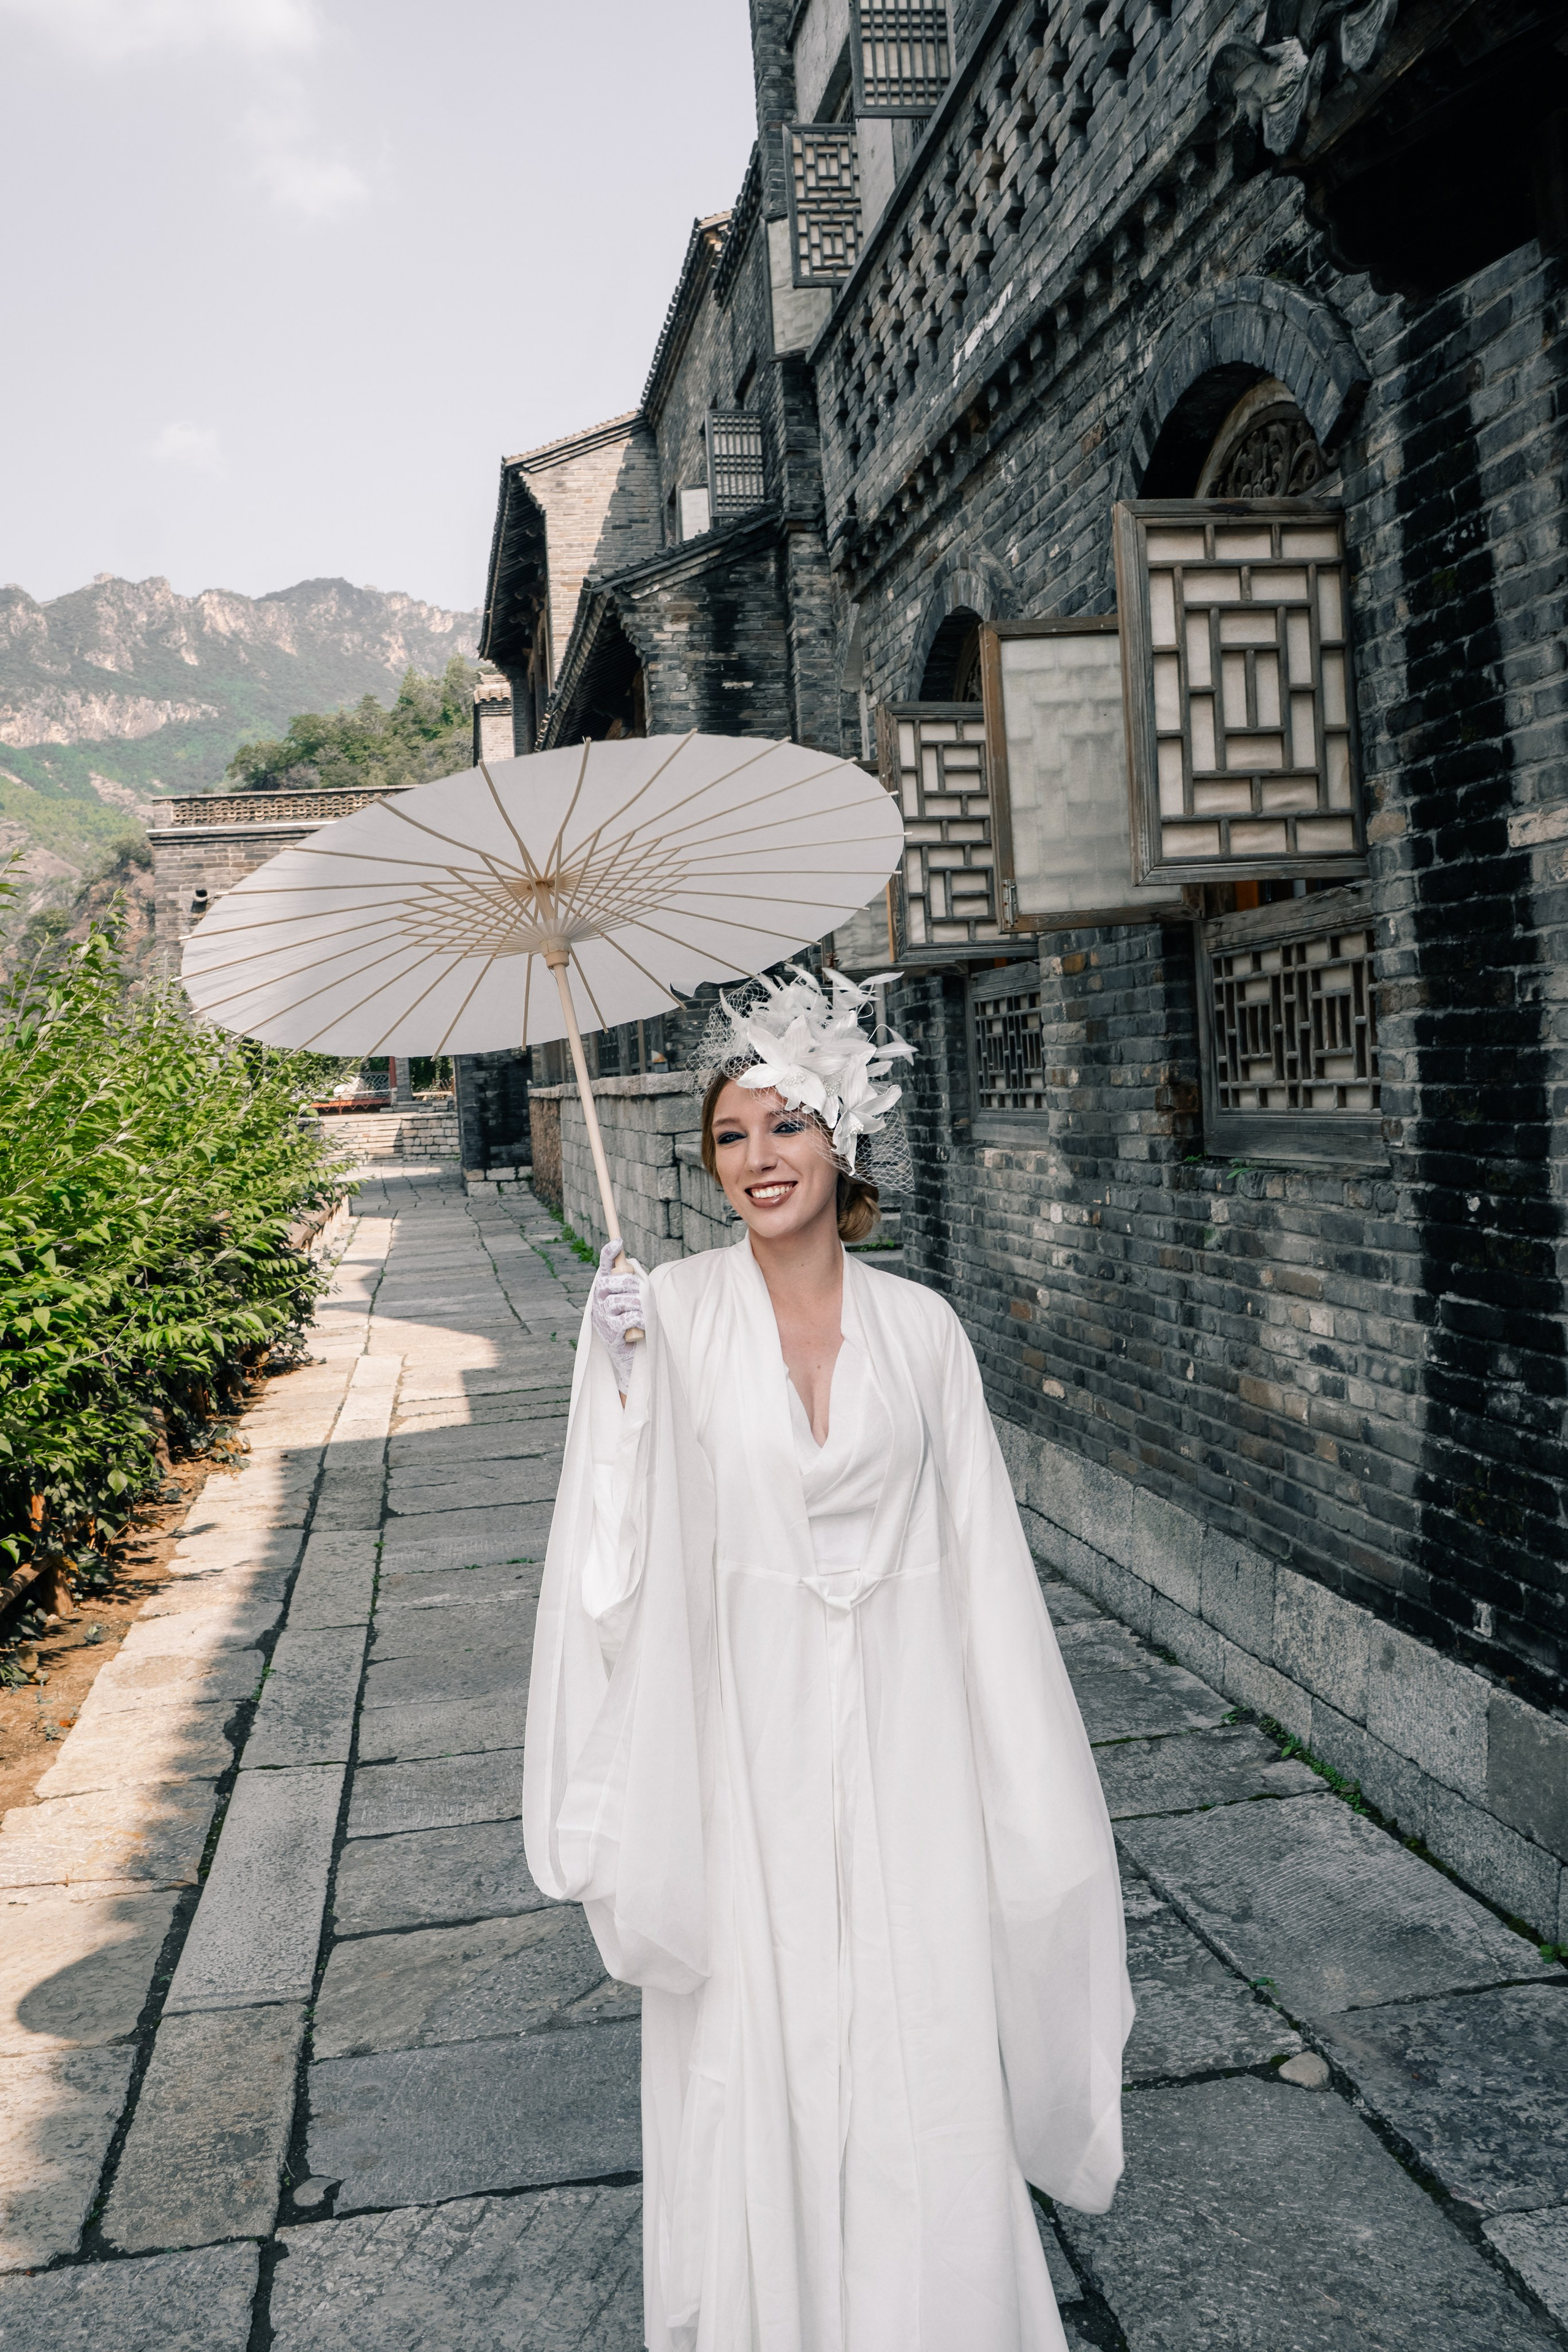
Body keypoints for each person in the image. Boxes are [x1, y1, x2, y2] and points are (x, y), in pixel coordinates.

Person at [523, 968, 1131, 2352]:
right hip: (744, 1729)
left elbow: (981, 1557)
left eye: (785, 1126)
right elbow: (618, 1549)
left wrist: (1017, 1768)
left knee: (922, 2013)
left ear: (840, 1141)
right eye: (730, 1136)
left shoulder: (921, 1330)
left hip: (910, 1727)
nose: (758, 1159)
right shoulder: (669, 1312)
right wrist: (618, 1390)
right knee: (765, 2018)